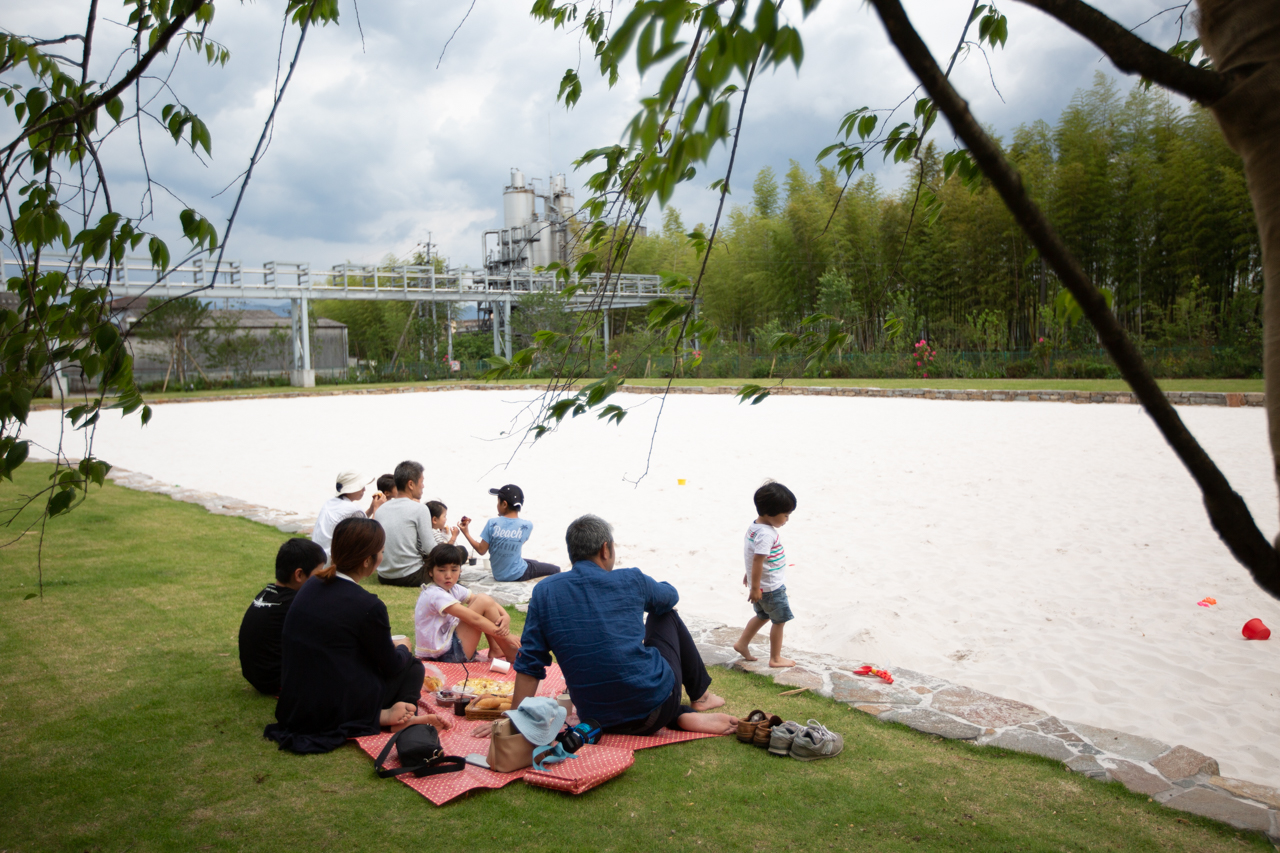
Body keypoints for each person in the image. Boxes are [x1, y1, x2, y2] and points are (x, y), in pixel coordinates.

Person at [510, 514, 738, 736]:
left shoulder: (545, 591)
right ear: (605, 549)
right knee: (665, 614)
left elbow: (530, 662)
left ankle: (681, 715)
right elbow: (670, 596)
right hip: (657, 710)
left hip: (596, 720)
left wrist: (515, 721)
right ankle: (700, 696)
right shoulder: (631, 579)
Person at [264, 516, 450, 754]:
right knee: (412, 666)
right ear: (367, 561)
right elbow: (391, 666)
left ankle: (396, 712)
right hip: (334, 701)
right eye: (381, 551)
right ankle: (395, 715)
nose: (382, 556)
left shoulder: (312, 585)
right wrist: (403, 647)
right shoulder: (367, 604)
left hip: (297, 699)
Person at [238, 538, 327, 695]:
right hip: (277, 682)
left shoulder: (267, 593)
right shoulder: (296, 604)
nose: (323, 577)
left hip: (258, 677)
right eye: (319, 572)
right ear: (299, 575)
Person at [413, 543, 521, 663]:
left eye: (454, 570)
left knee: (483, 599)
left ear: (460, 570)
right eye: (442, 570)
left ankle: (496, 648)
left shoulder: (453, 589)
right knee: (482, 601)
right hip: (445, 656)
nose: (448, 576)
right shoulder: (434, 594)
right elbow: (474, 619)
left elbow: (487, 602)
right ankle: (509, 651)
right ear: (430, 572)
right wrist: (506, 636)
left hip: (448, 648)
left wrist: (506, 615)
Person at [733, 481, 797, 668]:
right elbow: (758, 560)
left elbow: (751, 555)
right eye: (785, 515)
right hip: (771, 588)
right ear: (770, 513)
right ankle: (775, 658)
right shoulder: (767, 534)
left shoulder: (754, 527)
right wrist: (754, 587)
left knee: (762, 616)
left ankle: (742, 643)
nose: (787, 519)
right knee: (780, 620)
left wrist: (750, 576)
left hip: (761, 586)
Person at [460, 484, 559, 582]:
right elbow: (515, 546)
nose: (497, 505)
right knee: (555, 569)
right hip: (517, 574)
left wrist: (466, 533)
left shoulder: (492, 523)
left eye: (498, 502)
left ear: (504, 504)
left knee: (534, 562)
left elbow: (481, 550)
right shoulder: (527, 525)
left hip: (498, 575)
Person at [374, 460, 437, 587]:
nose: (423, 486)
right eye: (422, 481)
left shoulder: (381, 509)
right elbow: (431, 549)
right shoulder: (420, 509)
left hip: (384, 576)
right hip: (411, 575)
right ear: (411, 484)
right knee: (459, 553)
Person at [312, 471, 385, 553]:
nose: (364, 489)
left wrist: (371, 509)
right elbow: (371, 533)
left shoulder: (330, 502)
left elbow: (358, 521)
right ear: (352, 488)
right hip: (333, 558)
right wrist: (377, 509)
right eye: (361, 486)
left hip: (318, 555)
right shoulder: (353, 508)